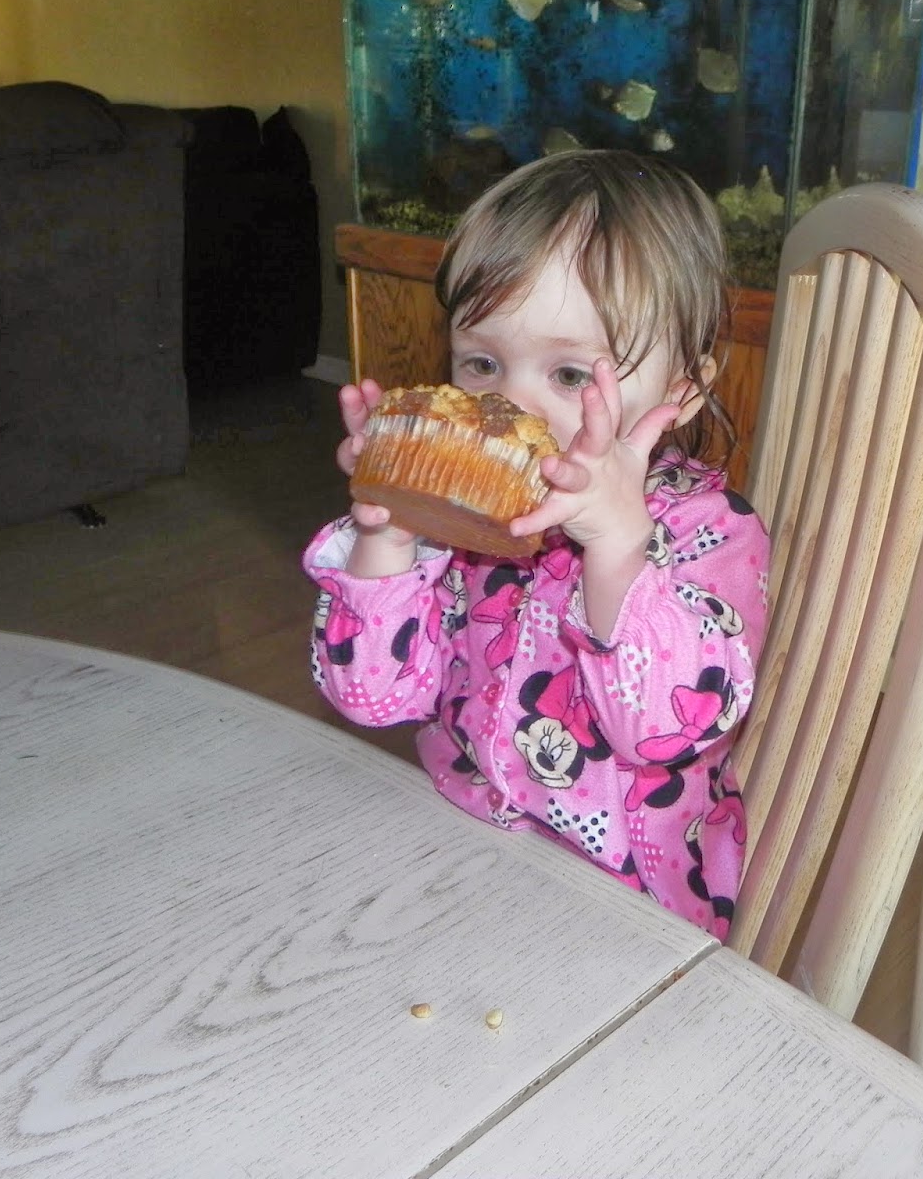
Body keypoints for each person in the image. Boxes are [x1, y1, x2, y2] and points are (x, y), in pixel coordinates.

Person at [303, 150, 769, 938]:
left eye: (570, 376)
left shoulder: (710, 531)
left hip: (626, 900)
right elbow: (372, 698)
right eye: (484, 363)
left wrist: (618, 544)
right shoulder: (468, 526)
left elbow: (662, 731)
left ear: (681, 389)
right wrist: (393, 531)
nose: (512, 404)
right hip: (459, 841)